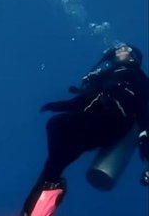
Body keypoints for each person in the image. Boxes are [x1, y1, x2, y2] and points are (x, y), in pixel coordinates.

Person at [22, 43, 149, 216]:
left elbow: (144, 112)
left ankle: (51, 189)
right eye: (119, 48)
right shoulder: (107, 75)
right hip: (90, 124)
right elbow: (88, 99)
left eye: (127, 49)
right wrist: (63, 105)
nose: (121, 49)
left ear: (135, 57)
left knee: (56, 126)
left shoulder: (137, 75)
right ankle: (31, 211)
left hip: (111, 122)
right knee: (52, 167)